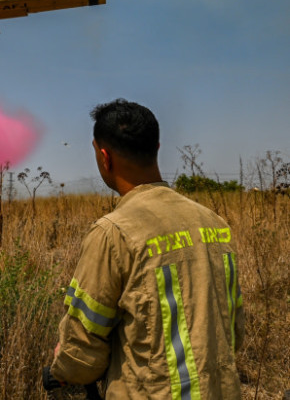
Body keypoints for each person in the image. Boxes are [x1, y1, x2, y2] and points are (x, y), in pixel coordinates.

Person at [50, 99, 244, 399]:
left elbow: (81, 355)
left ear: (105, 157)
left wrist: (62, 366)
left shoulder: (113, 233)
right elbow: (234, 331)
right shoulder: (214, 224)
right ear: (156, 148)